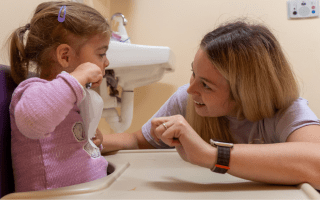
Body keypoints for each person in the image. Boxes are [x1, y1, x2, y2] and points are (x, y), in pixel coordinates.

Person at [102, 20, 320, 190]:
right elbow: (136, 140)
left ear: (246, 92)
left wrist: (210, 155)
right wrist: (93, 142)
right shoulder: (186, 101)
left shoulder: (287, 111)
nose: (190, 89)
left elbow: (316, 164)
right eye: (193, 73)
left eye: (206, 85)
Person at [8, 1, 110, 192]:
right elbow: (33, 119)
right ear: (65, 56)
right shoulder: (32, 90)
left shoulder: (69, 98)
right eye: (101, 54)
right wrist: (77, 78)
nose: (107, 61)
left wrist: (90, 140)